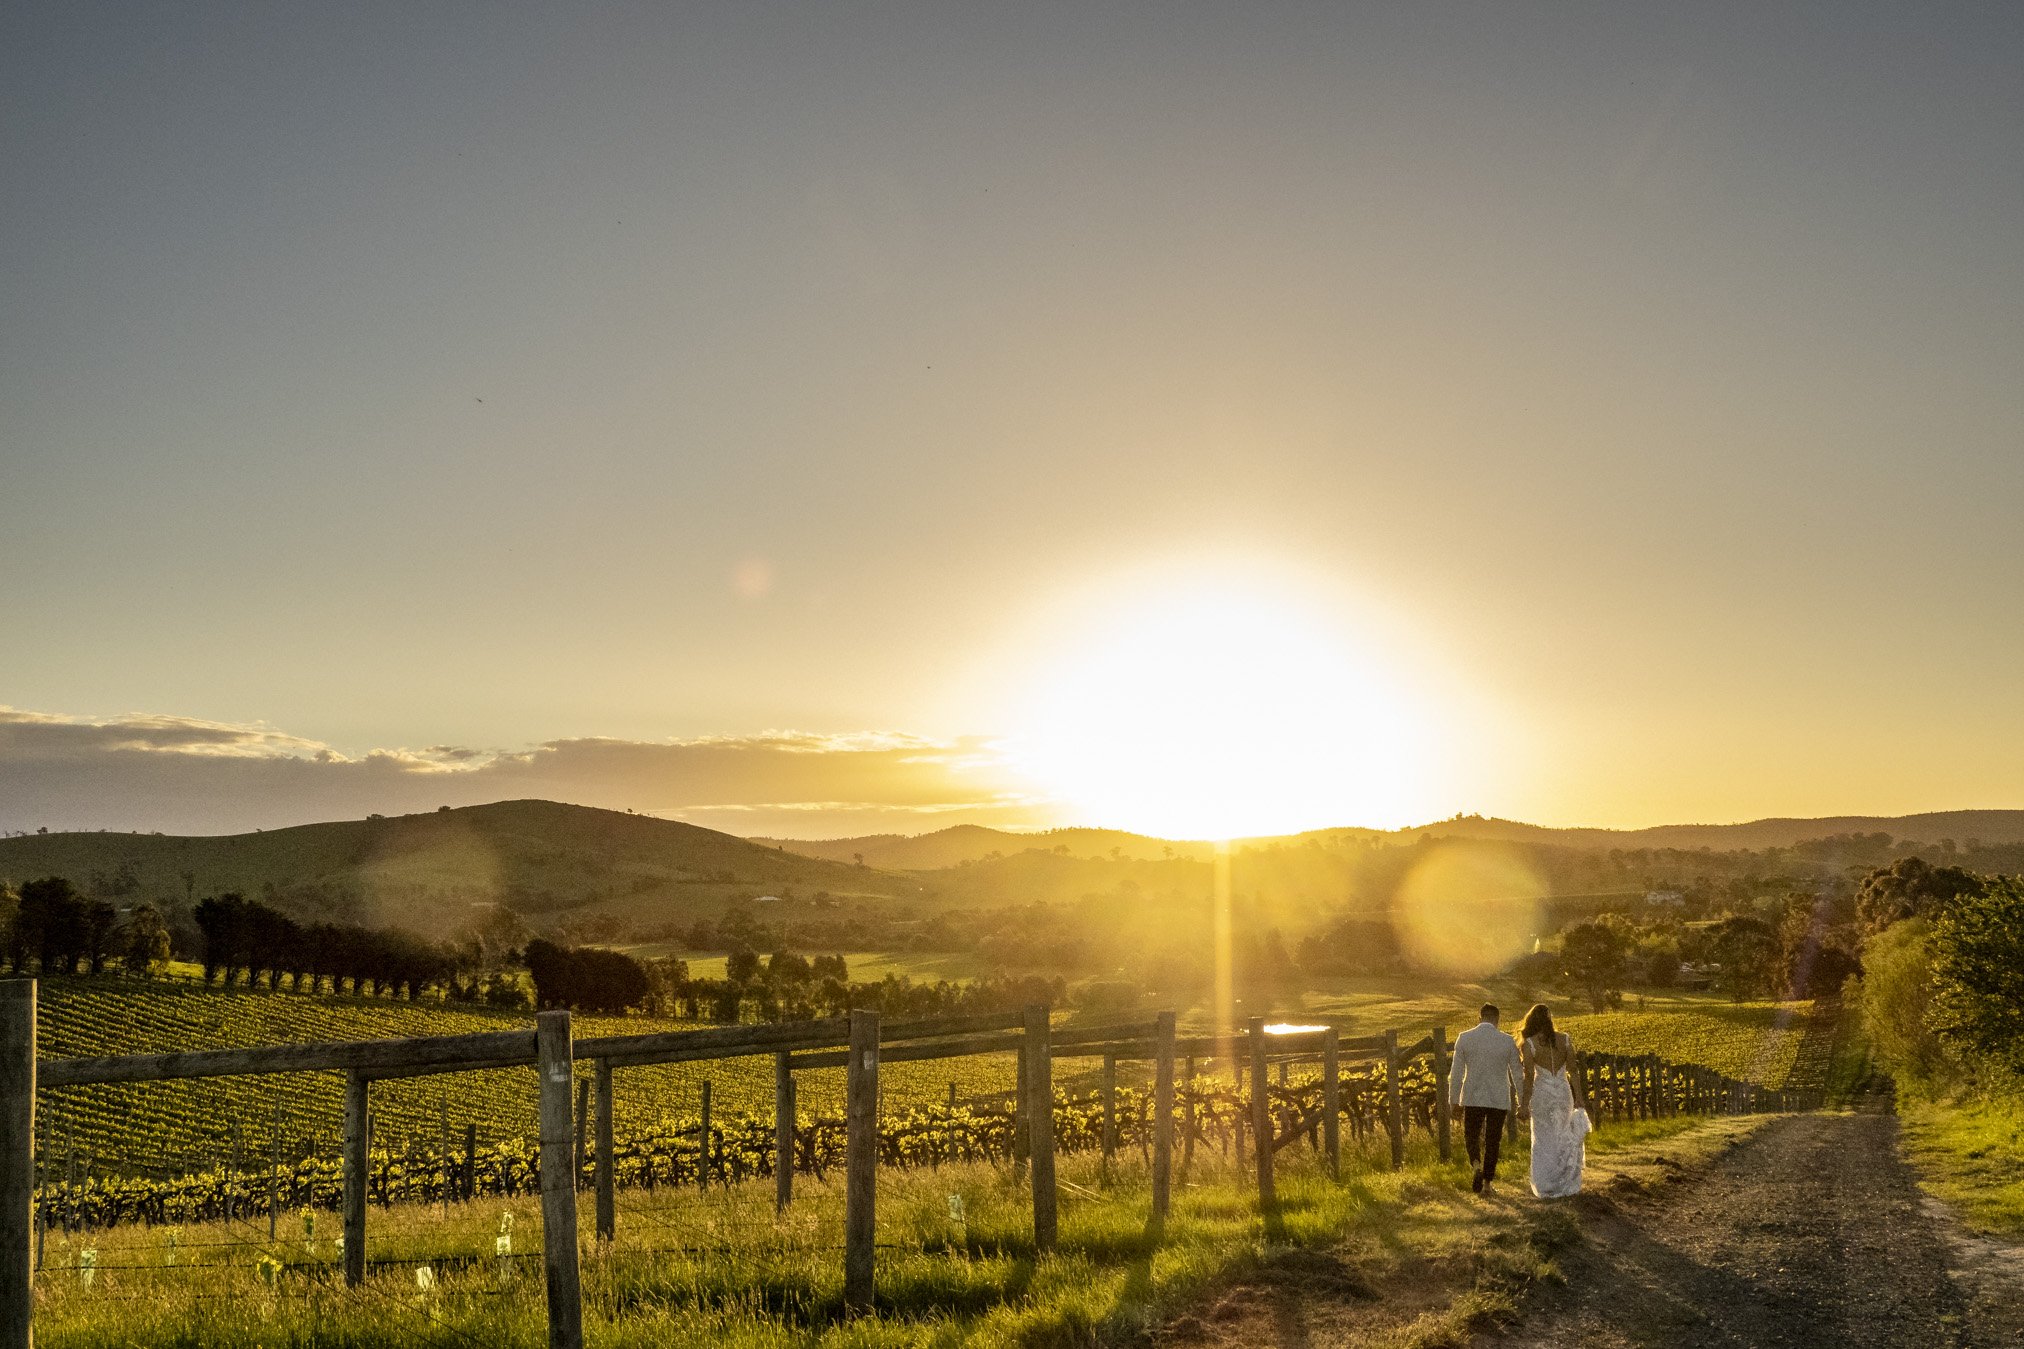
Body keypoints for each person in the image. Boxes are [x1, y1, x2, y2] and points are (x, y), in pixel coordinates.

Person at [1518, 1002, 1590, 1199]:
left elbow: (1529, 1078)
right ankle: (1565, 1179)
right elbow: (1573, 1071)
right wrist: (1579, 1098)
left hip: (1542, 1093)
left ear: (1531, 1021)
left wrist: (1524, 1105)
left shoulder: (1529, 1044)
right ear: (1549, 1020)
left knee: (1543, 1138)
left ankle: (1547, 1183)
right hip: (1563, 1092)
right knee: (1562, 1134)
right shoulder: (1564, 1040)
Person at [1449, 1002, 1521, 1193]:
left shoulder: (1464, 1038)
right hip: (1498, 1097)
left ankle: (1475, 1165)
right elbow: (1517, 1073)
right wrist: (1523, 1101)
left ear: (1479, 1018)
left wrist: (1453, 1100)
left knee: (1471, 1135)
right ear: (1497, 1020)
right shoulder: (1507, 1041)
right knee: (1493, 1139)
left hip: (1473, 1096)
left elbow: (1455, 1074)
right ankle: (1488, 1184)